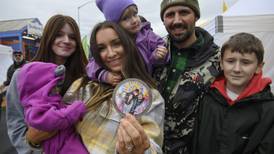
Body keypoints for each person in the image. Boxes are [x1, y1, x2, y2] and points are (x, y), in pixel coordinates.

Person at [28, 21, 165, 154]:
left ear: (128, 45)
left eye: (116, 44)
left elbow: (154, 148)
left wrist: (139, 150)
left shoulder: (150, 97)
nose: (111, 54)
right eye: (101, 48)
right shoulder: (82, 86)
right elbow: (49, 131)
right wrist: (34, 138)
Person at [6, 14, 88, 154]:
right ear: (49, 37)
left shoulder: (85, 78)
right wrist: (33, 143)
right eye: (59, 35)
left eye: (72, 37)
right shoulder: (22, 76)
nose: (66, 40)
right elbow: (16, 126)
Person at [153, 0, 220, 153]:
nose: (177, 20)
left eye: (184, 12)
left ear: (196, 16)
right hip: (151, 146)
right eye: (170, 14)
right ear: (163, 20)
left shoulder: (218, 60)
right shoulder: (153, 53)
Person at [193, 33, 274, 154]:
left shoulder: (269, 109)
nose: (237, 69)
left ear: (259, 67)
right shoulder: (208, 98)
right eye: (230, 61)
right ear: (221, 63)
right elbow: (196, 143)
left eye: (245, 63)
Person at [86, 0, 169, 86]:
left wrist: (157, 56)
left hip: (145, 83)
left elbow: (162, 49)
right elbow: (91, 67)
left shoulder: (147, 35)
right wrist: (105, 75)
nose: (134, 20)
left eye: (135, 14)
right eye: (126, 18)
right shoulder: (111, 42)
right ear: (115, 25)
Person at [17, 62, 88, 154]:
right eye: (54, 86)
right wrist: (76, 108)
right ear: (41, 86)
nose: (57, 90)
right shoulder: (35, 106)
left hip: (66, 140)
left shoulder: (45, 100)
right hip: (62, 146)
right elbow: (52, 120)